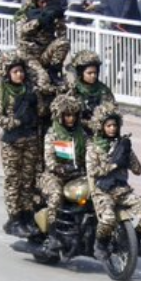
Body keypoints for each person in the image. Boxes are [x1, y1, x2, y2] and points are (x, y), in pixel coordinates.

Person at [86, 112, 141, 259]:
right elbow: (93, 171)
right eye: (108, 126)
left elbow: (138, 170)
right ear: (102, 127)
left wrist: (127, 153)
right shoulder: (94, 147)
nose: (112, 128)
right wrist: (114, 165)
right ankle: (100, 243)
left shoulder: (122, 145)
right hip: (102, 191)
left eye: (114, 125)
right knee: (108, 219)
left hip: (122, 191)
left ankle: (135, 240)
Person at [0, 52, 43, 237]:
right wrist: (16, 122)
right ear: (8, 74)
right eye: (15, 71)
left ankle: (27, 216)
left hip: (30, 140)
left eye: (21, 71)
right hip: (12, 142)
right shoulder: (3, 92)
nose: (19, 75)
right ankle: (14, 218)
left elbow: (40, 112)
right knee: (13, 181)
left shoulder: (30, 91)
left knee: (28, 181)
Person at [39, 94, 89, 244]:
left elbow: (91, 150)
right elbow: (49, 159)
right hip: (55, 176)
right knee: (56, 195)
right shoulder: (52, 133)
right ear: (60, 115)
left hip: (78, 176)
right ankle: (53, 234)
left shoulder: (81, 133)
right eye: (67, 115)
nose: (71, 119)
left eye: (74, 115)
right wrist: (58, 168)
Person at [15, 0, 71, 94]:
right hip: (30, 55)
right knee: (43, 79)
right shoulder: (25, 15)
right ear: (35, 2)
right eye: (42, 2)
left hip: (45, 52)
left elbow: (62, 35)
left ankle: (54, 71)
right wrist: (39, 22)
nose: (45, 4)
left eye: (47, 1)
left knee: (64, 42)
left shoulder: (51, 12)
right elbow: (22, 32)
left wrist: (58, 19)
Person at [66, 49, 118, 134]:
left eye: (95, 72)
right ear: (80, 73)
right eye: (89, 73)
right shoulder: (73, 90)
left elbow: (112, 114)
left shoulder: (103, 90)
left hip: (97, 132)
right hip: (76, 131)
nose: (93, 76)